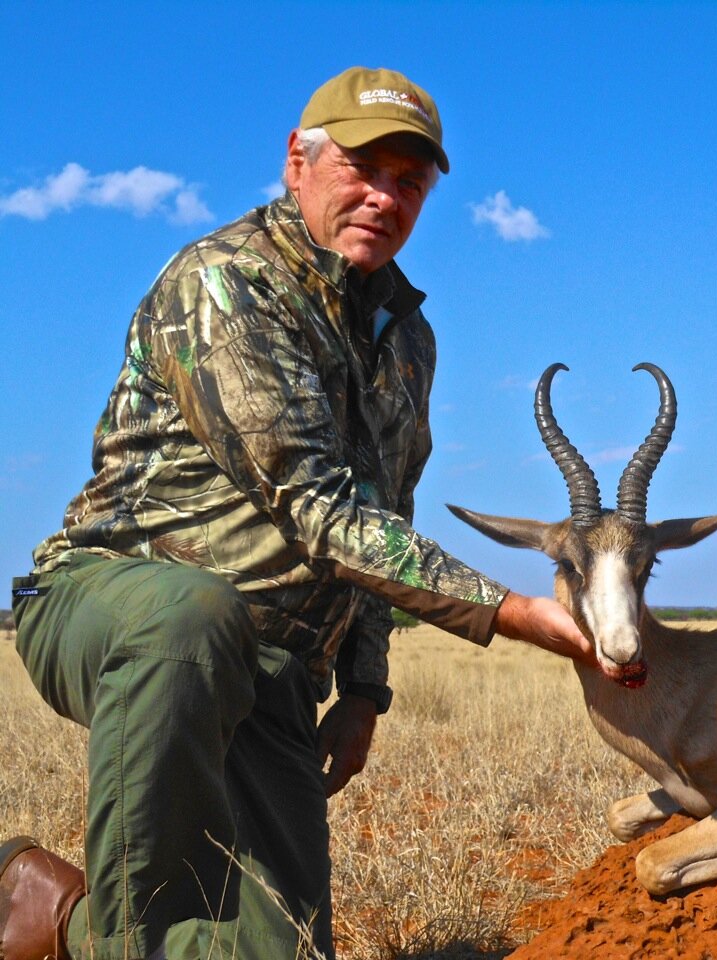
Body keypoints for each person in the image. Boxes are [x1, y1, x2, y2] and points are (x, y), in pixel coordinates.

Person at [3, 66, 591, 960]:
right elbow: (316, 506)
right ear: (298, 162)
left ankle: (50, 910)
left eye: (408, 180)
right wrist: (510, 612)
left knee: (281, 953)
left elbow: (384, 510)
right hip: (122, 613)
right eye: (361, 166)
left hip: (273, 670)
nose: (382, 196)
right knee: (190, 612)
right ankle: (121, 940)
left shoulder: (408, 339)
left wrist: (363, 690)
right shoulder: (227, 281)